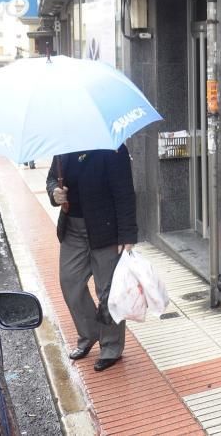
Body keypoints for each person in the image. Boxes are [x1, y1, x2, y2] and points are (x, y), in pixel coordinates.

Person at [46, 145, 136, 372]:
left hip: (105, 230)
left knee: (107, 291)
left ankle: (111, 347)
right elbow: (51, 180)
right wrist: (55, 192)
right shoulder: (64, 146)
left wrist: (127, 236)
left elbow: (125, 193)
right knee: (70, 282)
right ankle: (89, 333)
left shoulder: (113, 149)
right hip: (72, 230)